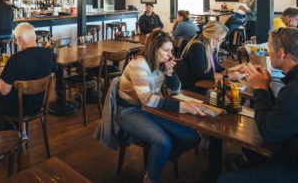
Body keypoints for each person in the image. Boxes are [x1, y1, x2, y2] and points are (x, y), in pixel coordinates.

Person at [117, 30, 204, 183]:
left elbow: (176, 91)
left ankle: (159, 158)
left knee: (192, 137)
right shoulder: (139, 64)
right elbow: (146, 100)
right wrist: (181, 107)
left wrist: (170, 73)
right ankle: (152, 177)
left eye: (171, 50)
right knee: (163, 141)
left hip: (151, 108)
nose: (170, 55)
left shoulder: (161, 64)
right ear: (153, 49)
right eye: (166, 50)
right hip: (129, 111)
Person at [218, 27, 298, 182]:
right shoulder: (291, 84)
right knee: (248, 147)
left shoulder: (293, 90)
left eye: (269, 49)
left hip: (292, 164)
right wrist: (265, 85)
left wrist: (260, 88)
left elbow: (269, 132)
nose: (267, 53)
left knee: (223, 179)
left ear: (281, 53)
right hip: (288, 144)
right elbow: (280, 113)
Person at [0, 22, 56, 135]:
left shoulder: (16, 59)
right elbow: (53, 73)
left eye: (16, 40)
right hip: (38, 104)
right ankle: (23, 133)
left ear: (21, 40)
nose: (17, 43)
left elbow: (3, 90)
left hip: (16, 107)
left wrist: (5, 74)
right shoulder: (49, 54)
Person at [180, 21, 240, 94]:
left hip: (203, 84)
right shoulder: (196, 47)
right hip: (193, 87)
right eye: (219, 39)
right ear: (212, 36)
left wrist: (225, 71)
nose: (219, 42)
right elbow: (201, 74)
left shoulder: (210, 46)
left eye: (221, 39)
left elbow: (216, 67)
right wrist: (228, 76)